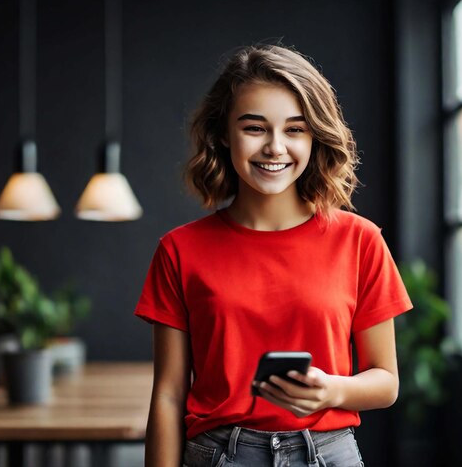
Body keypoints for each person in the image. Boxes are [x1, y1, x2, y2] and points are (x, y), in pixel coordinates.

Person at [134, 44, 412, 467]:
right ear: (224, 134)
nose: (275, 147)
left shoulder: (360, 240)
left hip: (329, 454)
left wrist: (331, 391)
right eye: (255, 128)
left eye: (295, 129)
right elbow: (169, 396)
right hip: (218, 455)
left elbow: (386, 381)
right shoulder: (179, 250)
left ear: (315, 135)